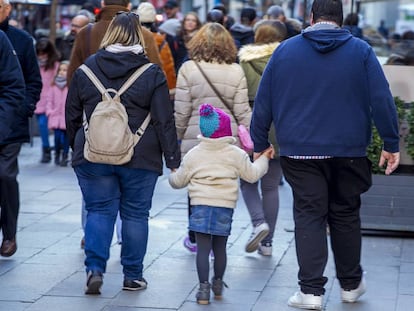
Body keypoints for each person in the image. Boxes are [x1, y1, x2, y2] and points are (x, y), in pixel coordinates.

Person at [251, 0, 400, 309]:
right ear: (341, 19)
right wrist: (391, 143)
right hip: (349, 150)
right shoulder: (360, 51)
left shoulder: (286, 51)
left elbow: (264, 99)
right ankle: (350, 284)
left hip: (300, 150)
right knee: (346, 214)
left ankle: (310, 291)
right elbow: (382, 98)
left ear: (311, 17)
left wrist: (259, 141)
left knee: (309, 214)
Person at [65, 11, 180, 295]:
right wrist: (173, 159)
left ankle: (94, 268)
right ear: (139, 36)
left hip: (93, 154)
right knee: (135, 214)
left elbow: (71, 114)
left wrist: (75, 146)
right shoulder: (151, 72)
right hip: (141, 155)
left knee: (99, 210)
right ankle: (132, 276)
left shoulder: (86, 70)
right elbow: (164, 119)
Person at [169, 103, 273, 304]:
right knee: (220, 249)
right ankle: (217, 284)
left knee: (202, 249)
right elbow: (252, 175)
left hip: (199, 206)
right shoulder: (235, 154)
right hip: (224, 207)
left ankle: (203, 291)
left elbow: (178, 181)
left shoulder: (194, 154)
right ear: (226, 131)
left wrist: (173, 175)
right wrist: (264, 160)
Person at [174, 22, 252, 254]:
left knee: (196, 184)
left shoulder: (188, 69)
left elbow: (182, 110)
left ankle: (195, 235)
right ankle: (218, 232)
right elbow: (242, 111)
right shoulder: (236, 70)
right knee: (224, 184)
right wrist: (249, 138)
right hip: (227, 140)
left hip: (195, 137)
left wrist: (174, 138)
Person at [238, 20, 287, 256]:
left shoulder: (244, 61)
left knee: (248, 182)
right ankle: (268, 244)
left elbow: (238, 98)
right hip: (280, 128)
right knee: (271, 187)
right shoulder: (289, 61)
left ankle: (259, 223)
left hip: (252, 126)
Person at [0, 0, 42, 257]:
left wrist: (20, 112)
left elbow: (27, 83)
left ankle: (10, 233)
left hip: (9, 123)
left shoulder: (20, 40)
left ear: (7, 10)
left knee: (5, 176)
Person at [67, 0, 162, 83]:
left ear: (102, 4)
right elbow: (157, 75)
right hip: (136, 102)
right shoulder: (144, 34)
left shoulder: (85, 33)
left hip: (94, 101)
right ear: (129, 6)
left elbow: (73, 76)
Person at [0, 29, 26, 257]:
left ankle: (9, 233)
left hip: (5, 128)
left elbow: (14, 87)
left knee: (5, 176)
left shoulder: (3, 39)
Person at [137, 2, 176, 97]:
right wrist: (171, 90)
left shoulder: (130, 38)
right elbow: (167, 67)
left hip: (134, 86)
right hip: (154, 86)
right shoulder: (161, 41)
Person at [35, 38, 61, 164]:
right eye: (39, 53)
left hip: (51, 99)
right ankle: (46, 149)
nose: (41, 56)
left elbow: (56, 81)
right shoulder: (34, 64)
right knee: (41, 125)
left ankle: (56, 150)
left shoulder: (55, 65)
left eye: (44, 53)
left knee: (54, 126)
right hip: (37, 99)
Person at [46, 61, 70, 166]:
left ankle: (65, 155)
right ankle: (57, 153)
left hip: (66, 117)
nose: (62, 72)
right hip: (55, 116)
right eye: (60, 70)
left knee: (66, 138)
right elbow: (49, 101)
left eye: (65, 70)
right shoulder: (53, 86)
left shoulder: (70, 86)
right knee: (57, 137)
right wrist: (50, 111)